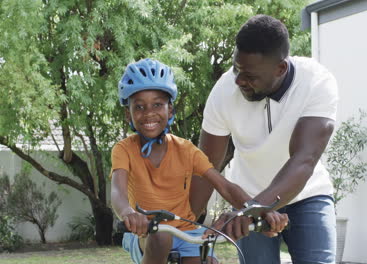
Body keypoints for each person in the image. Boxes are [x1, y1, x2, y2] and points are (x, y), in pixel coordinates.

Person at [110, 58, 288, 264]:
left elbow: (225, 187)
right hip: (146, 233)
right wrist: (128, 213)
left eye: (157, 104)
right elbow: (118, 191)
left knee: (209, 262)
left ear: (170, 110)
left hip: (187, 232)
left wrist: (258, 211)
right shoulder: (123, 149)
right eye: (139, 107)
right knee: (161, 236)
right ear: (128, 114)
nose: (149, 113)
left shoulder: (186, 150)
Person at [198, 15, 338, 264]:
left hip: (307, 195)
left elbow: (303, 160)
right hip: (247, 195)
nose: (239, 80)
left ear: (280, 68)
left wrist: (252, 209)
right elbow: (205, 166)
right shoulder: (224, 91)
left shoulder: (316, 82)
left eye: (250, 76)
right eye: (236, 69)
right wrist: (190, 223)